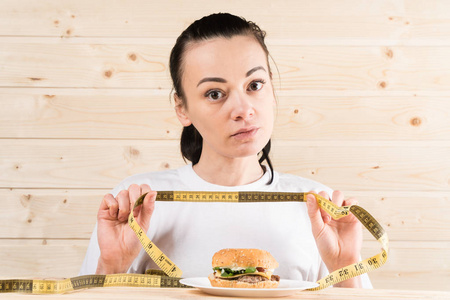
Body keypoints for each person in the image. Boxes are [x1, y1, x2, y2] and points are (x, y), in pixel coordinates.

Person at [79, 13, 372, 288]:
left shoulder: (320, 210)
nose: (243, 110)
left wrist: (345, 267)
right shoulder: (137, 203)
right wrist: (111, 265)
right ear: (182, 109)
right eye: (215, 94)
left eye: (255, 85)